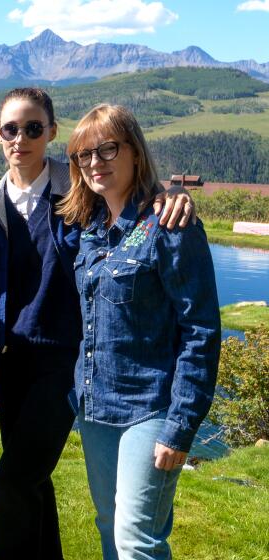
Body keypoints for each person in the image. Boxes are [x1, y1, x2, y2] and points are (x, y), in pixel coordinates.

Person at [0, 88, 194, 560]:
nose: (21, 138)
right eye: (11, 129)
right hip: (11, 364)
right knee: (33, 477)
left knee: (13, 478)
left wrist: (173, 194)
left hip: (66, 361)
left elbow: (131, 200)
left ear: (51, 132)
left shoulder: (78, 195)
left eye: (33, 128)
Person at [59, 104, 220, 560]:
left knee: (136, 539)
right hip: (94, 407)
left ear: (135, 152)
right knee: (109, 526)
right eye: (83, 155)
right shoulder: (90, 228)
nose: (95, 162)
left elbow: (201, 330)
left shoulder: (170, 225)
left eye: (107, 148)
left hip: (150, 409)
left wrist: (180, 427)